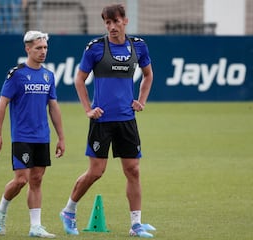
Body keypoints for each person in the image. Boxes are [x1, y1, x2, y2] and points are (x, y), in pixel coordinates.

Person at [59, 4, 155, 238]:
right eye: (107, 23)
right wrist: (88, 109)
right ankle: (69, 211)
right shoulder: (95, 48)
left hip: (127, 120)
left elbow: (148, 74)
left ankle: (136, 225)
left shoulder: (138, 46)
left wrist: (141, 100)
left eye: (116, 21)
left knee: (133, 170)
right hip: (102, 121)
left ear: (125, 21)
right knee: (96, 172)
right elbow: (79, 80)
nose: (112, 27)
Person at [0, 30, 65, 238]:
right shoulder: (16, 75)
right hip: (22, 136)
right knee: (21, 180)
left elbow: (53, 107)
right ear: (28, 49)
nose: (43, 52)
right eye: (38, 48)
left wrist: (61, 137)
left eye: (45, 48)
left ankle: (35, 227)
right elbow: (2, 104)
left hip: (43, 136)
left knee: (37, 179)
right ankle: (2, 209)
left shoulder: (48, 75)